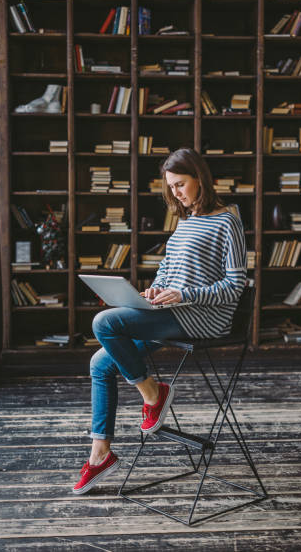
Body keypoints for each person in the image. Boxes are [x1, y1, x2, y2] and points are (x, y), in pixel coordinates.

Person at [73, 147, 247, 494]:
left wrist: (185, 295)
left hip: (201, 317)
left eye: (181, 184)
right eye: (171, 187)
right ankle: (100, 454)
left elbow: (235, 284)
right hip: (172, 311)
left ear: (201, 178)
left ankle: (153, 393)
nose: (177, 193)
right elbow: (169, 268)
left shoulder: (228, 220)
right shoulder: (186, 220)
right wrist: (156, 288)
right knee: (100, 363)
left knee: (105, 324)